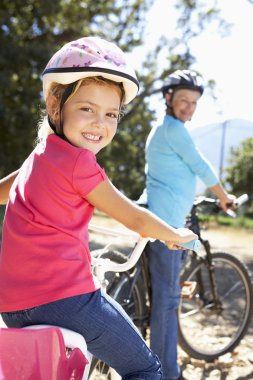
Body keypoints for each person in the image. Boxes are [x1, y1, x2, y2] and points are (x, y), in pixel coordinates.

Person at [0, 38, 198, 379]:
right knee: (146, 368)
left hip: (12, 306)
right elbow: (134, 217)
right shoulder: (79, 163)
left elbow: (5, 190)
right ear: (54, 103)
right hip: (67, 301)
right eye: (87, 109)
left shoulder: (40, 154)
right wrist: (173, 234)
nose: (100, 124)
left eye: (111, 114)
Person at [144, 70, 235, 380]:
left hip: (165, 217)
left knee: (167, 293)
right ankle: (167, 373)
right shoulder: (172, 129)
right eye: (183, 100)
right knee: (167, 302)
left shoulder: (165, 129)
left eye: (194, 103)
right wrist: (224, 198)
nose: (189, 107)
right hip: (168, 224)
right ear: (168, 99)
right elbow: (199, 164)